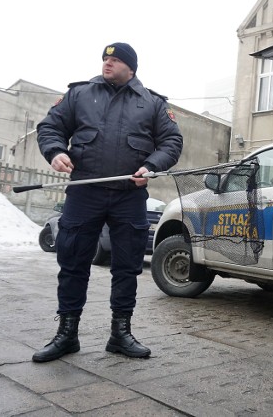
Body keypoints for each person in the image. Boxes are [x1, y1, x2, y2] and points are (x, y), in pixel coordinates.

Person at [33, 42, 183, 362]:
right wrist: (56, 151)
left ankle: (120, 333)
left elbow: (171, 141)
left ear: (131, 67)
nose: (107, 63)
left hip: (129, 195)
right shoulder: (80, 94)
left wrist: (151, 166)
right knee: (72, 262)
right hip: (84, 193)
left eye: (115, 59)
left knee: (127, 266)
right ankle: (67, 334)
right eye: (105, 58)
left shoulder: (152, 103)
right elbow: (50, 127)